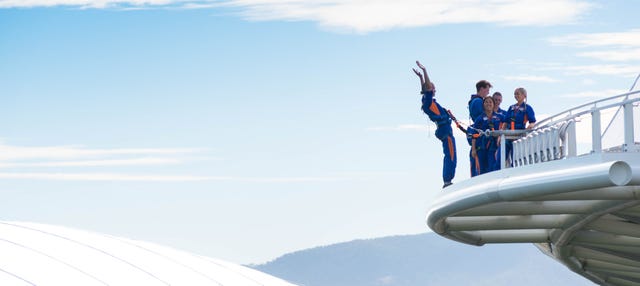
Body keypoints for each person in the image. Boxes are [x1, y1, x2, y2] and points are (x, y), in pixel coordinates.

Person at [413, 60, 457, 188]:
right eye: (432, 87)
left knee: (449, 154)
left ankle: (447, 180)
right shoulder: (427, 102)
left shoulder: (428, 102)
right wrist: (425, 71)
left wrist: (421, 77)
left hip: (444, 128)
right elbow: (426, 89)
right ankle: (448, 180)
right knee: (451, 155)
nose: (434, 89)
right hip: (444, 129)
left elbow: (425, 89)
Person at [500, 87, 537, 167]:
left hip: (519, 136)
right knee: (501, 157)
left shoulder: (527, 108)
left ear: (524, 95)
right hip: (508, 136)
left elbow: (532, 122)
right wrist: (501, 134)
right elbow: (506, 122)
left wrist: (529, 128)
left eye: (518, 94)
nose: (516, 95)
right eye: (515, 94)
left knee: (515, 158)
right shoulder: (511, 107)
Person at [467, 80, 492, 177]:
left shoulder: (474, 100)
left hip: (478, 136)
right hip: (480, 138)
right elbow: (482, 118)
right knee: (480, 168)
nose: (488, 93)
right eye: (487, 90)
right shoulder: (478, 101)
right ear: (481, 89)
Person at [472, 96, 502, 174]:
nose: (488, 104)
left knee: (492, 167)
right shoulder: (479, 119)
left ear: (493, 104)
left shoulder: (499, 117)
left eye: (490, 102)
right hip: (481, 147)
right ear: (483, 105)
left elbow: (507, 122)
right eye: (486, 102)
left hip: (493, 147)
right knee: (481, 170)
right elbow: (474, 135)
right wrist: (473, 149)